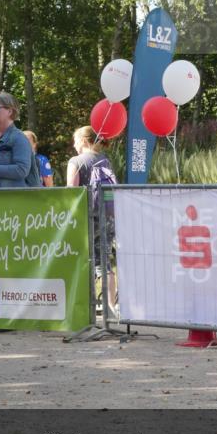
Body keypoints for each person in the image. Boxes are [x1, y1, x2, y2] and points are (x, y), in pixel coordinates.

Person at [68, 125, 119, 313]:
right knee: (104, 261)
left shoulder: (76, 161)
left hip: (86, 217)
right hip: (108, 215)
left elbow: (71, 193)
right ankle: (111, 307)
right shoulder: (105, 160)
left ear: (83, 140)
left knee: (83, 260)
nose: (73, 144)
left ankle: (85, 306)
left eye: (75, 140)